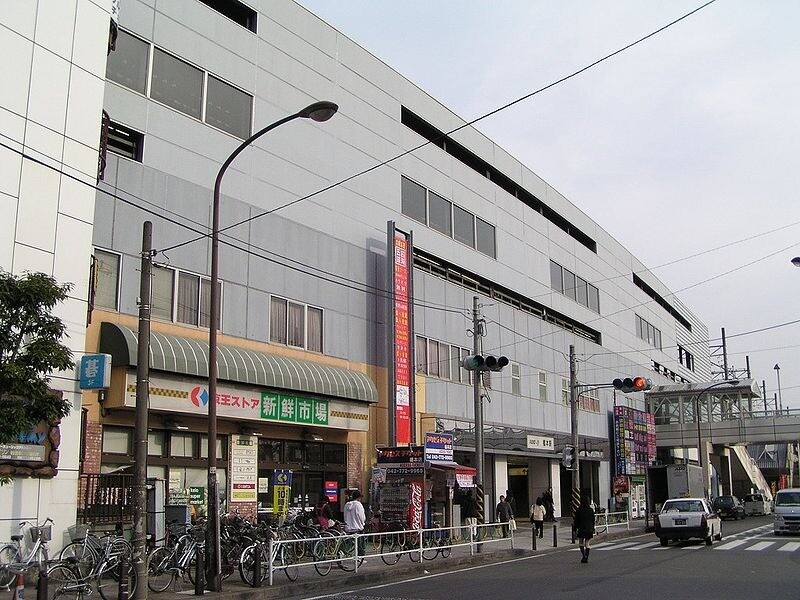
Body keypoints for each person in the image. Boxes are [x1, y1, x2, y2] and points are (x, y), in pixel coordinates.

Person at [572, 495, 596, 563]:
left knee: (581, 542)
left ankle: (583, 556)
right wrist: (593, 528)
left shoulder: (579, 510)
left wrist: (574, 529)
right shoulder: (591, 510)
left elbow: (576, 521)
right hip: (589, 528)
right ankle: (587, 556)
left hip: (581, 528)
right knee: (587, 543)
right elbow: (593, 520)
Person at [344, 490, 367, 554]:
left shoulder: (346, 504)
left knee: (348, 543)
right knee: (360, 544)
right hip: (357, 528)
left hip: (348, 528)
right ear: (358, 497)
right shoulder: (358, 505)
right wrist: (363, 523)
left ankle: (343, 554)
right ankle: (359, 558)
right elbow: (361, 516)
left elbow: (345, 515)